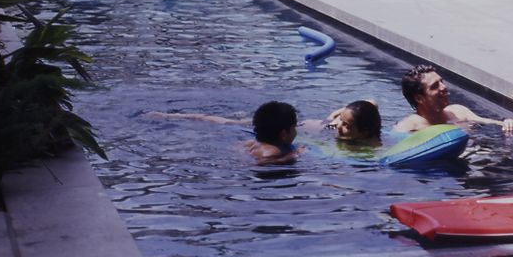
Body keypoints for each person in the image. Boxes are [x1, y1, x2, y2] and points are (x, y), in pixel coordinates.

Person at [148, 98, 382, 164]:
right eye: (342, 121)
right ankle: (170, 116)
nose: (341, 126)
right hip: (309, 125)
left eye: (346, 125)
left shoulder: (363, 139)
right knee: (228, 122)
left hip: (300, 126)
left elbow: (371, 104)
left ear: (363, 131)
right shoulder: (339, 128)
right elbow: (370, 103)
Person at [395, 65, 513, 135]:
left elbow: (489, 122)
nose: (443, 87)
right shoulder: (408, 127)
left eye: (441, 82)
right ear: (419, 98)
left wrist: (506, 123)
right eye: (435, 86)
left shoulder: (458, 111)